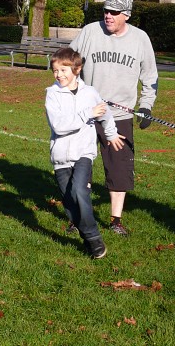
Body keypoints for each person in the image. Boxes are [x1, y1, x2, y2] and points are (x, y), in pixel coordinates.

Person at [69, 0, 158, 237]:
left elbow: (150, 77)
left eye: (114, 12)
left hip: (120, 116)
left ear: (126, 15)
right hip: (86, 114)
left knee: (118, 170)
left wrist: (147, 106)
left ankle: (115, 220)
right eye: (106, 11)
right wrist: (71, 89)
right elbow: (69, 62)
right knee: (81, 167)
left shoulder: (140, 39)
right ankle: (80, 216)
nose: (108, 16)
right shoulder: (89, 31)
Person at [45, 48, 124, 259]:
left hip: (83, 153)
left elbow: (104, 113)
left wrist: (111, 134)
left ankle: (94, 238)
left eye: (63, 70)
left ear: (77, 69)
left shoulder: (90, 93)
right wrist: (87, 114)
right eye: (55, 71)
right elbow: (59, 126)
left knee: (80, 192)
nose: (59, 74)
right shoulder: (52, 95)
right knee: (70, 204)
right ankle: (88, 239)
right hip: (60, 156)